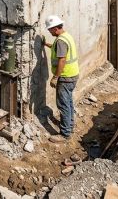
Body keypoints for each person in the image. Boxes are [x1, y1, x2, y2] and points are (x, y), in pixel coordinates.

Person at [43, 15, 79, 143]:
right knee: (68, 102)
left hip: (65, 77)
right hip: (73, 74)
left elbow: (62, 59)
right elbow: (58, 49)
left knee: (63, 104)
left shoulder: (61, 41)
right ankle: (69, 126)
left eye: (50, 30)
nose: (49, 32)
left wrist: (55, 77)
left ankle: (65, 134)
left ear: (55, 28)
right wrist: (46, 44)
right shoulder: (65, 36)